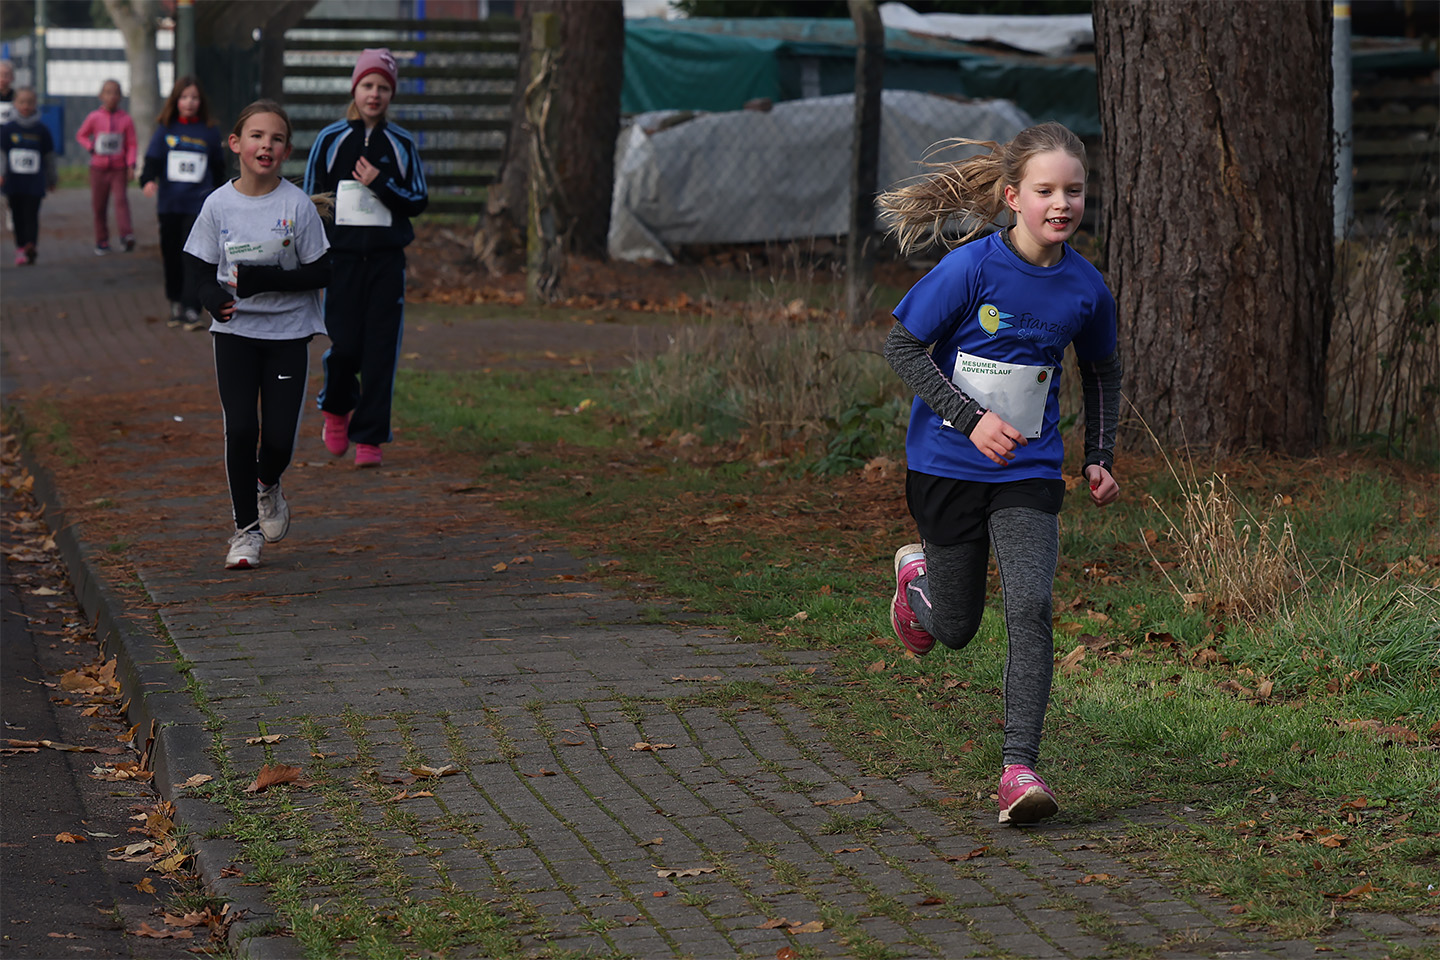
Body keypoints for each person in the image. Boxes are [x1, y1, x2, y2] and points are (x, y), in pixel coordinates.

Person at [878, 122, 1122, 826]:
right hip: (947, 465)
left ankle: (1019, 769)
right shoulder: (971, 268)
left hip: (1028, 470)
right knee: (955, 628)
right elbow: (902, 347)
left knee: (1031, 607)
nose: (1061, 203)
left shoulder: (1086, 287)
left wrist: (1099, 455)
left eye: (1073, 190)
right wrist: (969, 419)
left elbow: (1101, 371)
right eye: (1046, 190)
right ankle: (917, 583)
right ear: (1014, 197)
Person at [183, 100, 332, 570]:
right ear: (236, 144)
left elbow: (323, 270)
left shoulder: (296, 205)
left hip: (288, 332)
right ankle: (245, 532)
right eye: (256, 136)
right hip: (236, 332)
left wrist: (264, 280)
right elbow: (198, 266)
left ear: (286, 151)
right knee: (242, 427)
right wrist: (213, 297)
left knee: (279, 440)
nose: (266, 145)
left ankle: (267, 485)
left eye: (276, 138)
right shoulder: (218, 204)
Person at [302, 47, 428, 469]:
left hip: (386, 263)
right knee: (344, 346)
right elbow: (311, 199)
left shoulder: (402, 143)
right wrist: (313, 251)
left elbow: (418, 200)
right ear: (355, 89)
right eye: (368, 85)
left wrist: (380, 183)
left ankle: (370, 436)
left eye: (383, 88)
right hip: (341, 261)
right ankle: (336, 407)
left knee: (380, 351)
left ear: (392, 94)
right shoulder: (330, 140)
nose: (375, 94)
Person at [140, 76, 226, 330]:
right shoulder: (166, 128)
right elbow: (153, 160)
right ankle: (175, 301)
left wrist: (219, 196)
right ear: (176, 101)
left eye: (194, 98)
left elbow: (218, 167)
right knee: (171, 255)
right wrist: (147, 180)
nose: (189, 102)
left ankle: (191, 307)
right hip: (170, 204)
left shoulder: (209, 131)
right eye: (185, 97)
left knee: (193, 256)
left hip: (197, 205)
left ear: (201, 102)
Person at [76, 78, 137, 255]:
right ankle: (101, 240)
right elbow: (81, 135)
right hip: (98, 169)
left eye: (116, 93)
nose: (112, 97)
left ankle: (126, 235)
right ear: (101, 96)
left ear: (121, 96)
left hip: (118, 168)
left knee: (121, 201)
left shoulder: (126, 119)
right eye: (108, 93)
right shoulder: (94, 117)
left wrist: (131, 164)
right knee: (99, 205)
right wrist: (91, 147)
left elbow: (132, 144)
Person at [1, 87, 57, 265]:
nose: (26, 106)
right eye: (22, 102)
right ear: (15, 104)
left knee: (31, 215)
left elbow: (49, 157)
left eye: (30, 102)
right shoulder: (8, 130)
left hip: (34, 183)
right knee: (17, 216)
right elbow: (2, 155)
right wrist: (1, 173)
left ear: (35, 104)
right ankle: (20, 248)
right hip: (14, 182)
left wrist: (52, 179)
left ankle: (31, 245)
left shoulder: (42, 130)